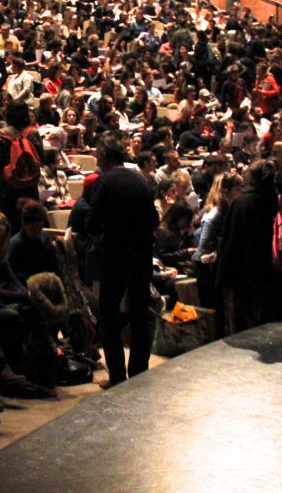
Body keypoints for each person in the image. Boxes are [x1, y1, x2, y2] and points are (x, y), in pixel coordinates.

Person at [86, 133, 158, 386]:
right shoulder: (141, 180)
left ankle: (117, 377)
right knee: (140, 317)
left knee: (109, 318)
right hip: (141, 258)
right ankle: (139, 375)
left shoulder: (103, 182)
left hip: (115, 257)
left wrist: (100, 240)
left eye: (97, 153)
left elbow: (92, 224)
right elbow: (154, 220)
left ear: (104, 155)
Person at [215, 159, 279, 333]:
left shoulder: (242, 203)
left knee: (241, 317)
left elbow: (231, 240)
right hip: (267, 267)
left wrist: (223, 273)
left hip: (242, 271)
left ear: (253, 178)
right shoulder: (274, 199)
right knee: (261, 315)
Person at [0, 100, 44, 232]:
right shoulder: (33, 133)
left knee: (11, 226)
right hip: (30, 187)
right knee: (30, 226)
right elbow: (41, 158)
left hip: (8, 188)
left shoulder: (2, 134)